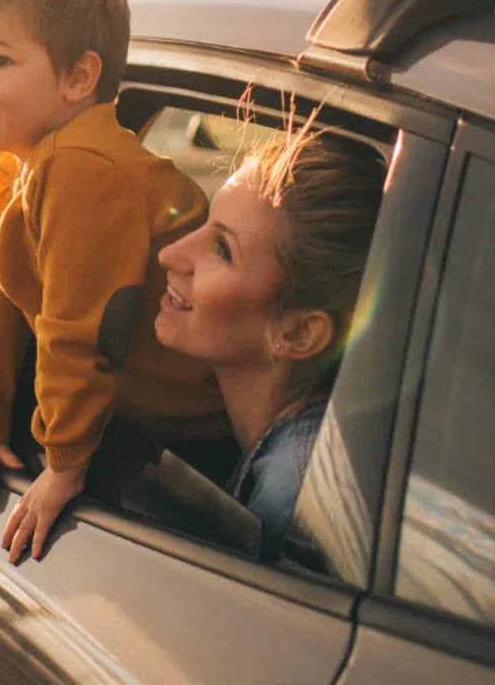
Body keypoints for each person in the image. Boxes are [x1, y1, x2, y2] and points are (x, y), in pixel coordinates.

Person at [0, 0, 227, 564]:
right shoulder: (14, 167)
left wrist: (64, 464)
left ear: (77, 78)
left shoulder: (81, 169)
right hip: (139, 421)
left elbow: (79, 328)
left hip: (197, 430)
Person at [154, 125, 386, 555]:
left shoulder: (292, 498)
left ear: (298, 333)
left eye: (222, 249)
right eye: (205, 223)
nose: (170, 254)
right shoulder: (300, 450)